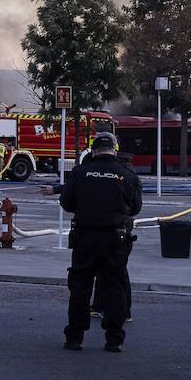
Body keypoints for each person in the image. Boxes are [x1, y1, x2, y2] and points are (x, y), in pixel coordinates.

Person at [59, 132, 142, 353]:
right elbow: (135, 208)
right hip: (115, 239)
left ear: (94, 151)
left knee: (80, 287)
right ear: (114, 150)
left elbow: (66, 203)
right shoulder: (127, 175)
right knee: (114, 287)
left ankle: (75, 337)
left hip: (85, 238)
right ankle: (114, 339)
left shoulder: (80, 173)